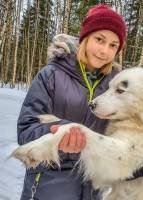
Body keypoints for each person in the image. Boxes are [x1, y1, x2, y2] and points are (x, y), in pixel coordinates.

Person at [17, 4, 126, 200]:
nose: (104, 51)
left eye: (113, 45)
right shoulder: (52, 75)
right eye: (99, 40)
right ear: (85, 38)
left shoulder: (117, 85)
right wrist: (61, 132)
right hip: (50, 186)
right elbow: (26, 131)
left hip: (97, 188)